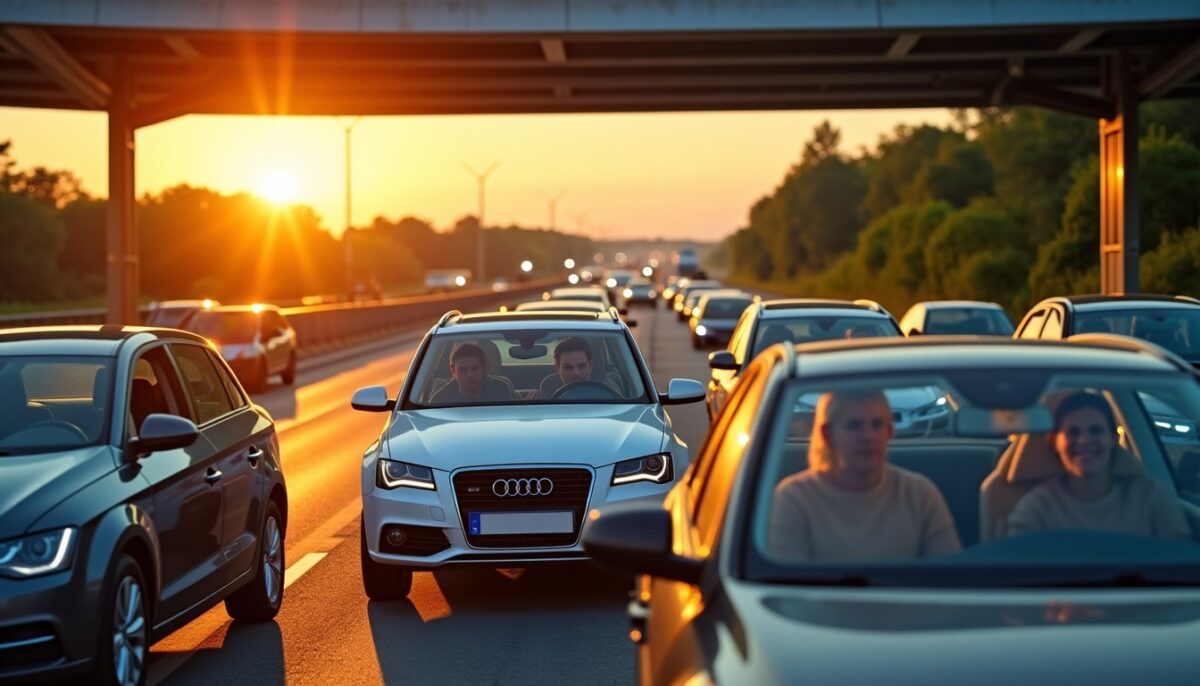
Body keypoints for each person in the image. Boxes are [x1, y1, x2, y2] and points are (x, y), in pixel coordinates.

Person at [768, 390, 962, 561]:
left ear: (889, 432)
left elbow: (952, 579)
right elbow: (786, 589)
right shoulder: (793, 499)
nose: (868, 436)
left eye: (877, 425)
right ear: (828, 435)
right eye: (854, 425)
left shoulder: (919, 495)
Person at [1006, 391, 1189, 539]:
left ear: (1114, 440)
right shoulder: (1038, 508)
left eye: (1096, 430)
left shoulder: (1152, 499)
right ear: (1055, 442)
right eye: (1073, 432)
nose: (1084, 440)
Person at [431, 342, 515, 404]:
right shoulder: (440, 400)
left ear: (484, 368)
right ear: (453, 371)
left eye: (475, 368)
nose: (470, 374)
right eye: (463, 370)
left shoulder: (500, 391)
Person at [536, 336, 611, 399]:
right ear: (557, 368)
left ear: (590, 366)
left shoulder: (610, 393)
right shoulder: (548, 391)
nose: (576, 373)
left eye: (581, 366)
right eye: (568, 367)